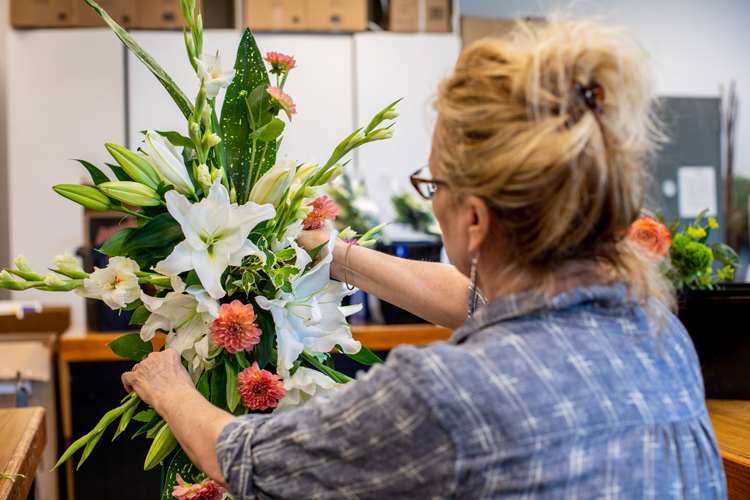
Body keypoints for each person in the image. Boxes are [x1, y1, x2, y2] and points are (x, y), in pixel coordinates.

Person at [122, 19, 727, 499]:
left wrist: (171, 388)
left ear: (474, 219)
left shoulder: (447, 394)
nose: (433, 203)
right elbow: (479, 303)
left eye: (434, 186)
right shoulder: (659, 335)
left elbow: (248, 460)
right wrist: (335, 254)